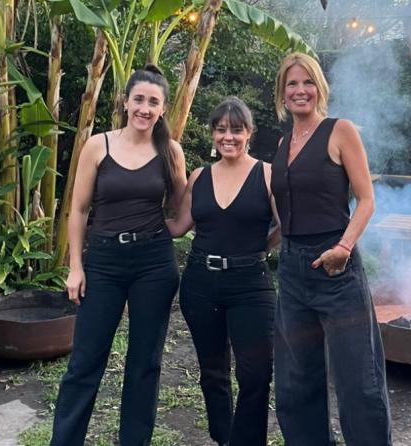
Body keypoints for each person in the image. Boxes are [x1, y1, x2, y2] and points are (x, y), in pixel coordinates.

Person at [50, 65, 187, 446]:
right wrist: (75, 267)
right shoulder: (99, 145)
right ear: (125, 102)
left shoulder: (170, 151)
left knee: (145, 363)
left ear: (163, 109)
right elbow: (78, 210)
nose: (145, 108)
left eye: (153, 102)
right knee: (85, 361)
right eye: (138, 99)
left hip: (154, 264)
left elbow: (183, 208)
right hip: (104, 262)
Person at [270, 52, 393, 445]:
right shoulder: (282, 143)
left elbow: (367, 199)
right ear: (282, 93)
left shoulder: (340, 131)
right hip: (292, 270)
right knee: (296, 380)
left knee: (359, 380)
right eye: (292, 83)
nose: (300, 90)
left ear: (319, 88)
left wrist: (344, 245)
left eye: (308, 82)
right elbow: (283, 206)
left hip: (336, 269)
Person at [167, 97, 278, 446]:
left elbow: (287, 225)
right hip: (201, 283)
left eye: (236, 130)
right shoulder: (199, 177)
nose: (228, 137)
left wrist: (264, 246)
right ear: (213, 133)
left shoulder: (267, 174)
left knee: (256, 373)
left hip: (251, 285)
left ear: (249, 133)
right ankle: (223, 438)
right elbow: (178, 227)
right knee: (213, 372)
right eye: (221, 129)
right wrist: (133, 213)